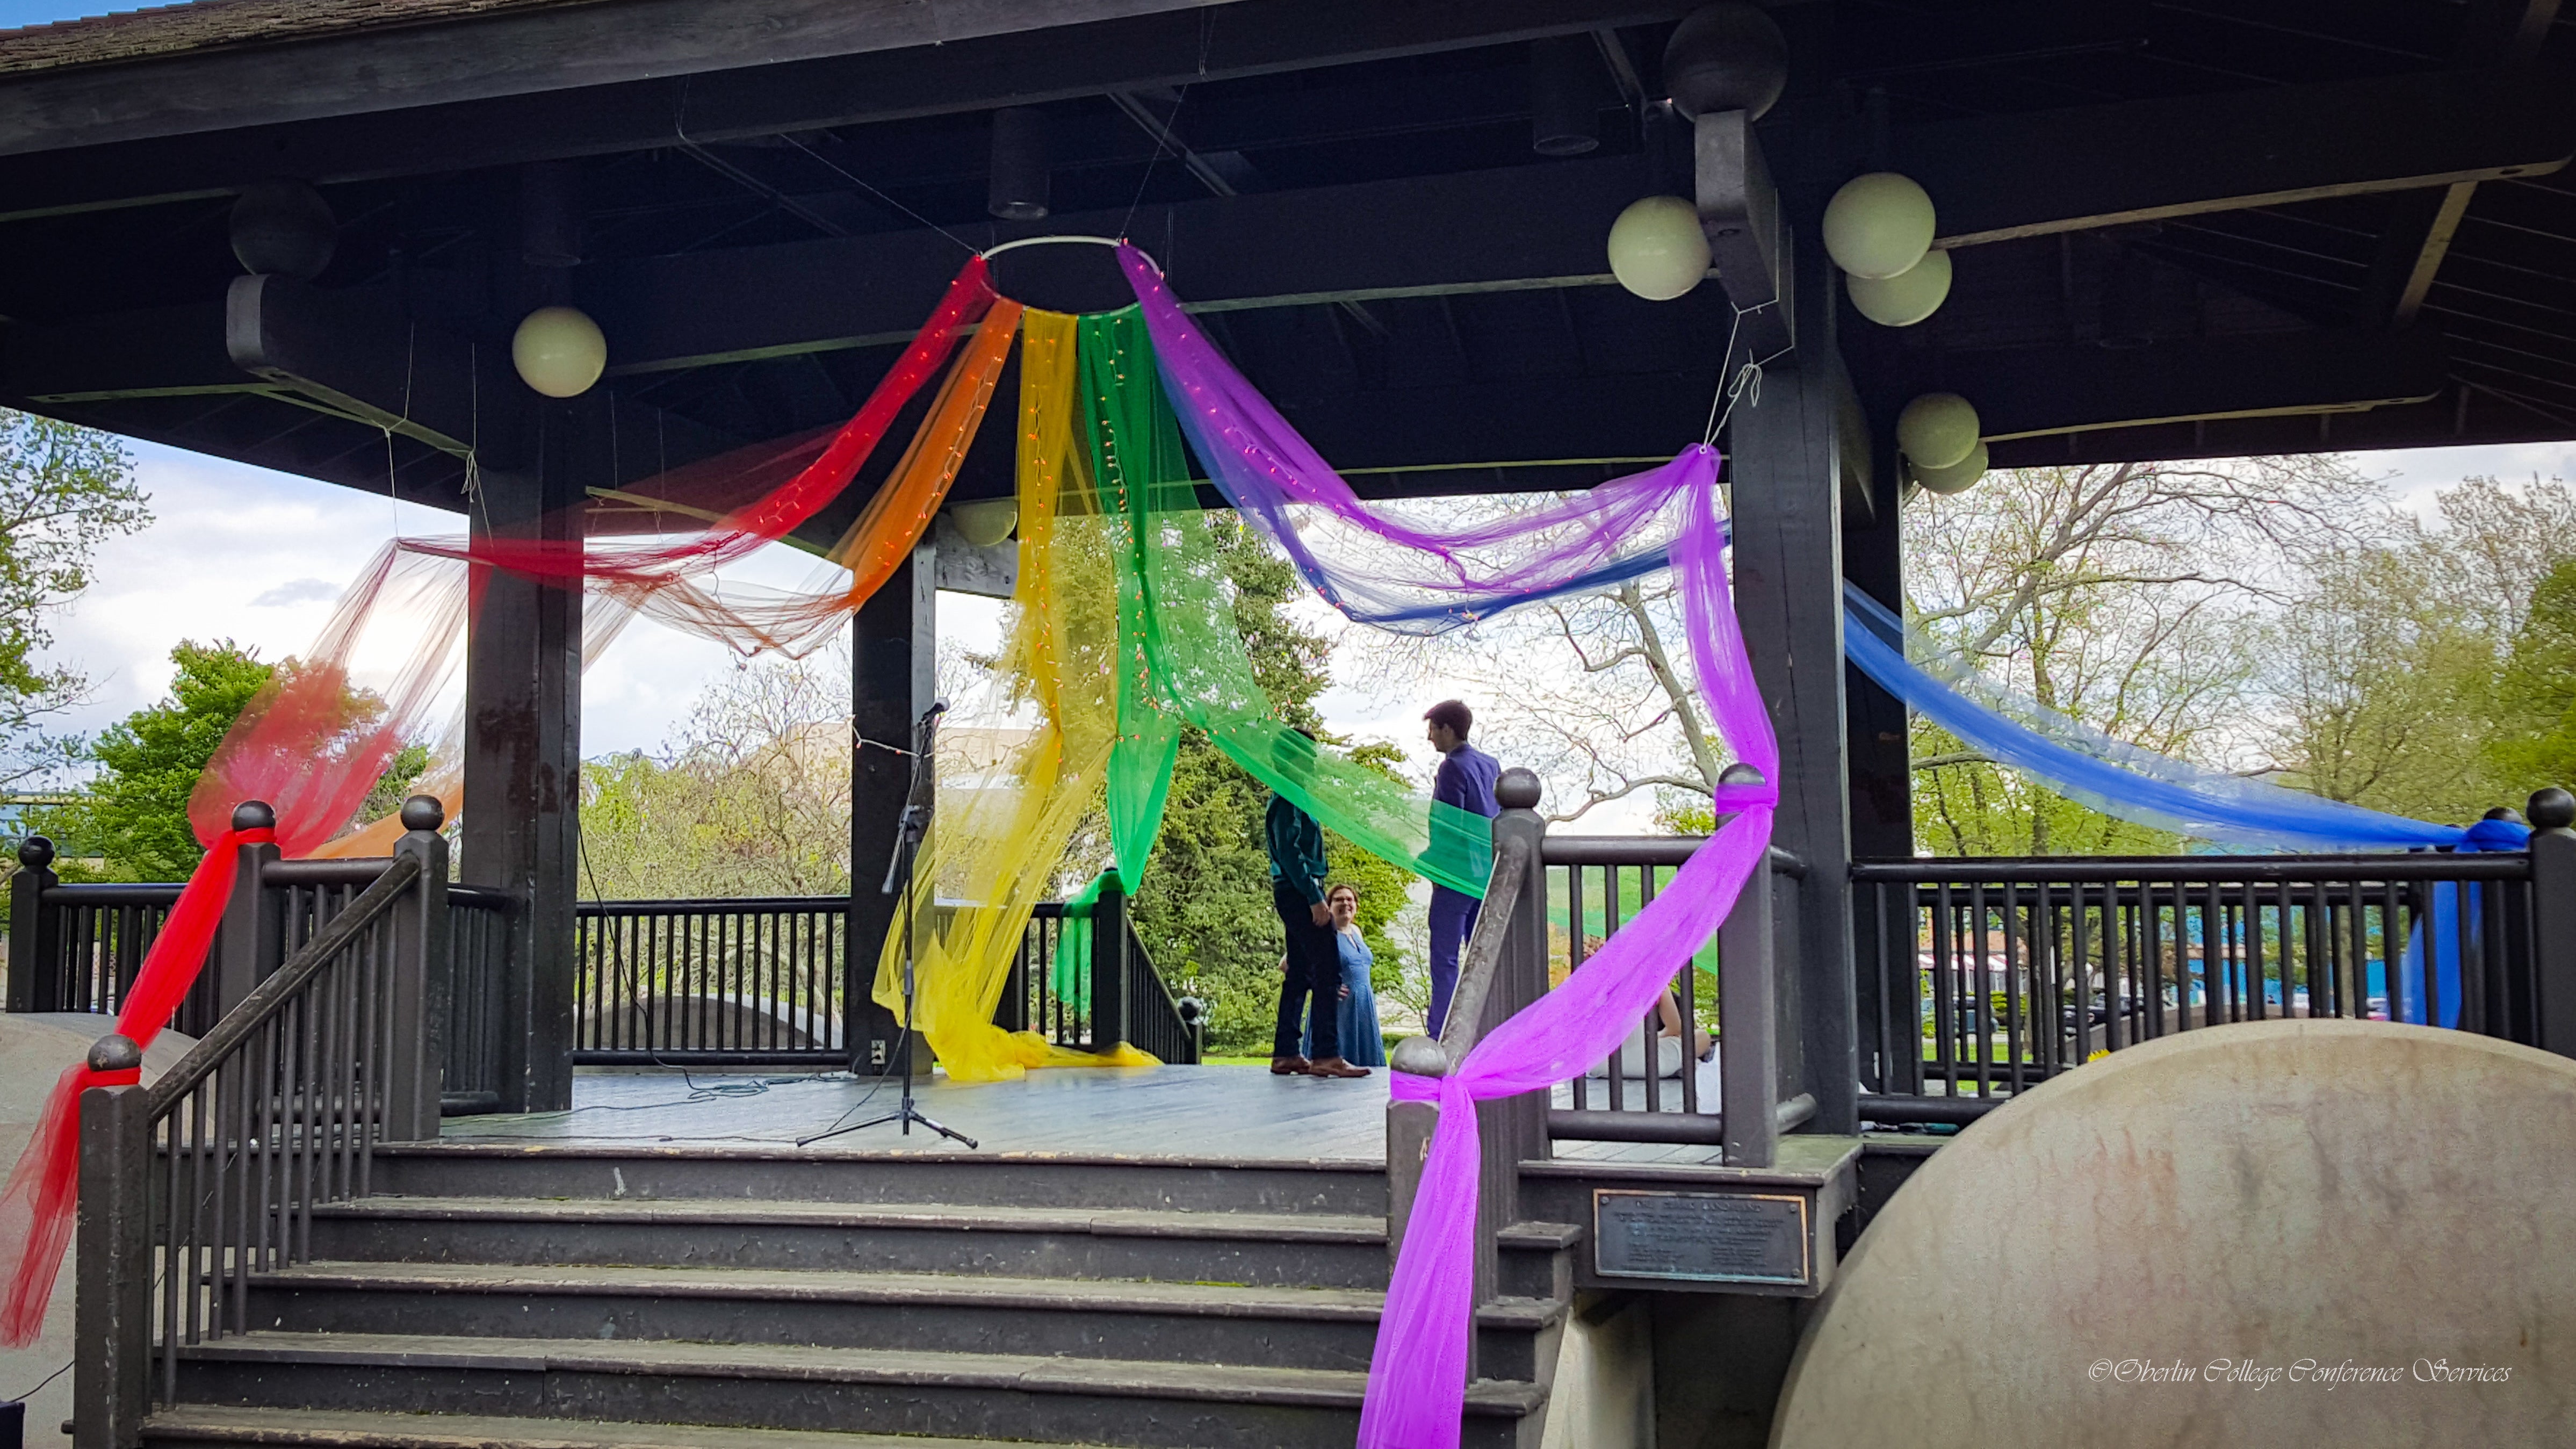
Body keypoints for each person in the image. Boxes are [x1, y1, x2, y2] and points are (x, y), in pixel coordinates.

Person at [1267, 731, 1369, 1078]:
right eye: (1305, 754)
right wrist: (1314, 898)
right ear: (1290, 758)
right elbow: (1290, 851)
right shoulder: (1288, 797)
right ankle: (1326, 1053)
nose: (1311, 760)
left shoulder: (1292, 795)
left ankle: (1286, 1052)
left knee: (1299, 972)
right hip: (1299, 890)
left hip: (1294, 889)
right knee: (1327, 969)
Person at [1423, 698, 1499, 1037]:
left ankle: (1441, 1035)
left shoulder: (1452, 768)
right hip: (1487, 876)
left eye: (1432, 730)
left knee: (1445, 959)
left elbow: (1448, 824)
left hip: (1457, 875)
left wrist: (1433, 865)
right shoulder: (1491, 765)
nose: (1430, 739)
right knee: (1481, 957)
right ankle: (1485, 1029)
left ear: (1447, 730)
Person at [1300, 882, 1387, 1068]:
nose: (1346, 903)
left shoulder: (1356, 931)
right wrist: (1320, 986)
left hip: (1363, 1006)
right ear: (1329, 907)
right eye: (1339, 900)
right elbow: (1287, 964)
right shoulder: (1321, 933)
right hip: (1337, 1009)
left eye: (1350, 899)